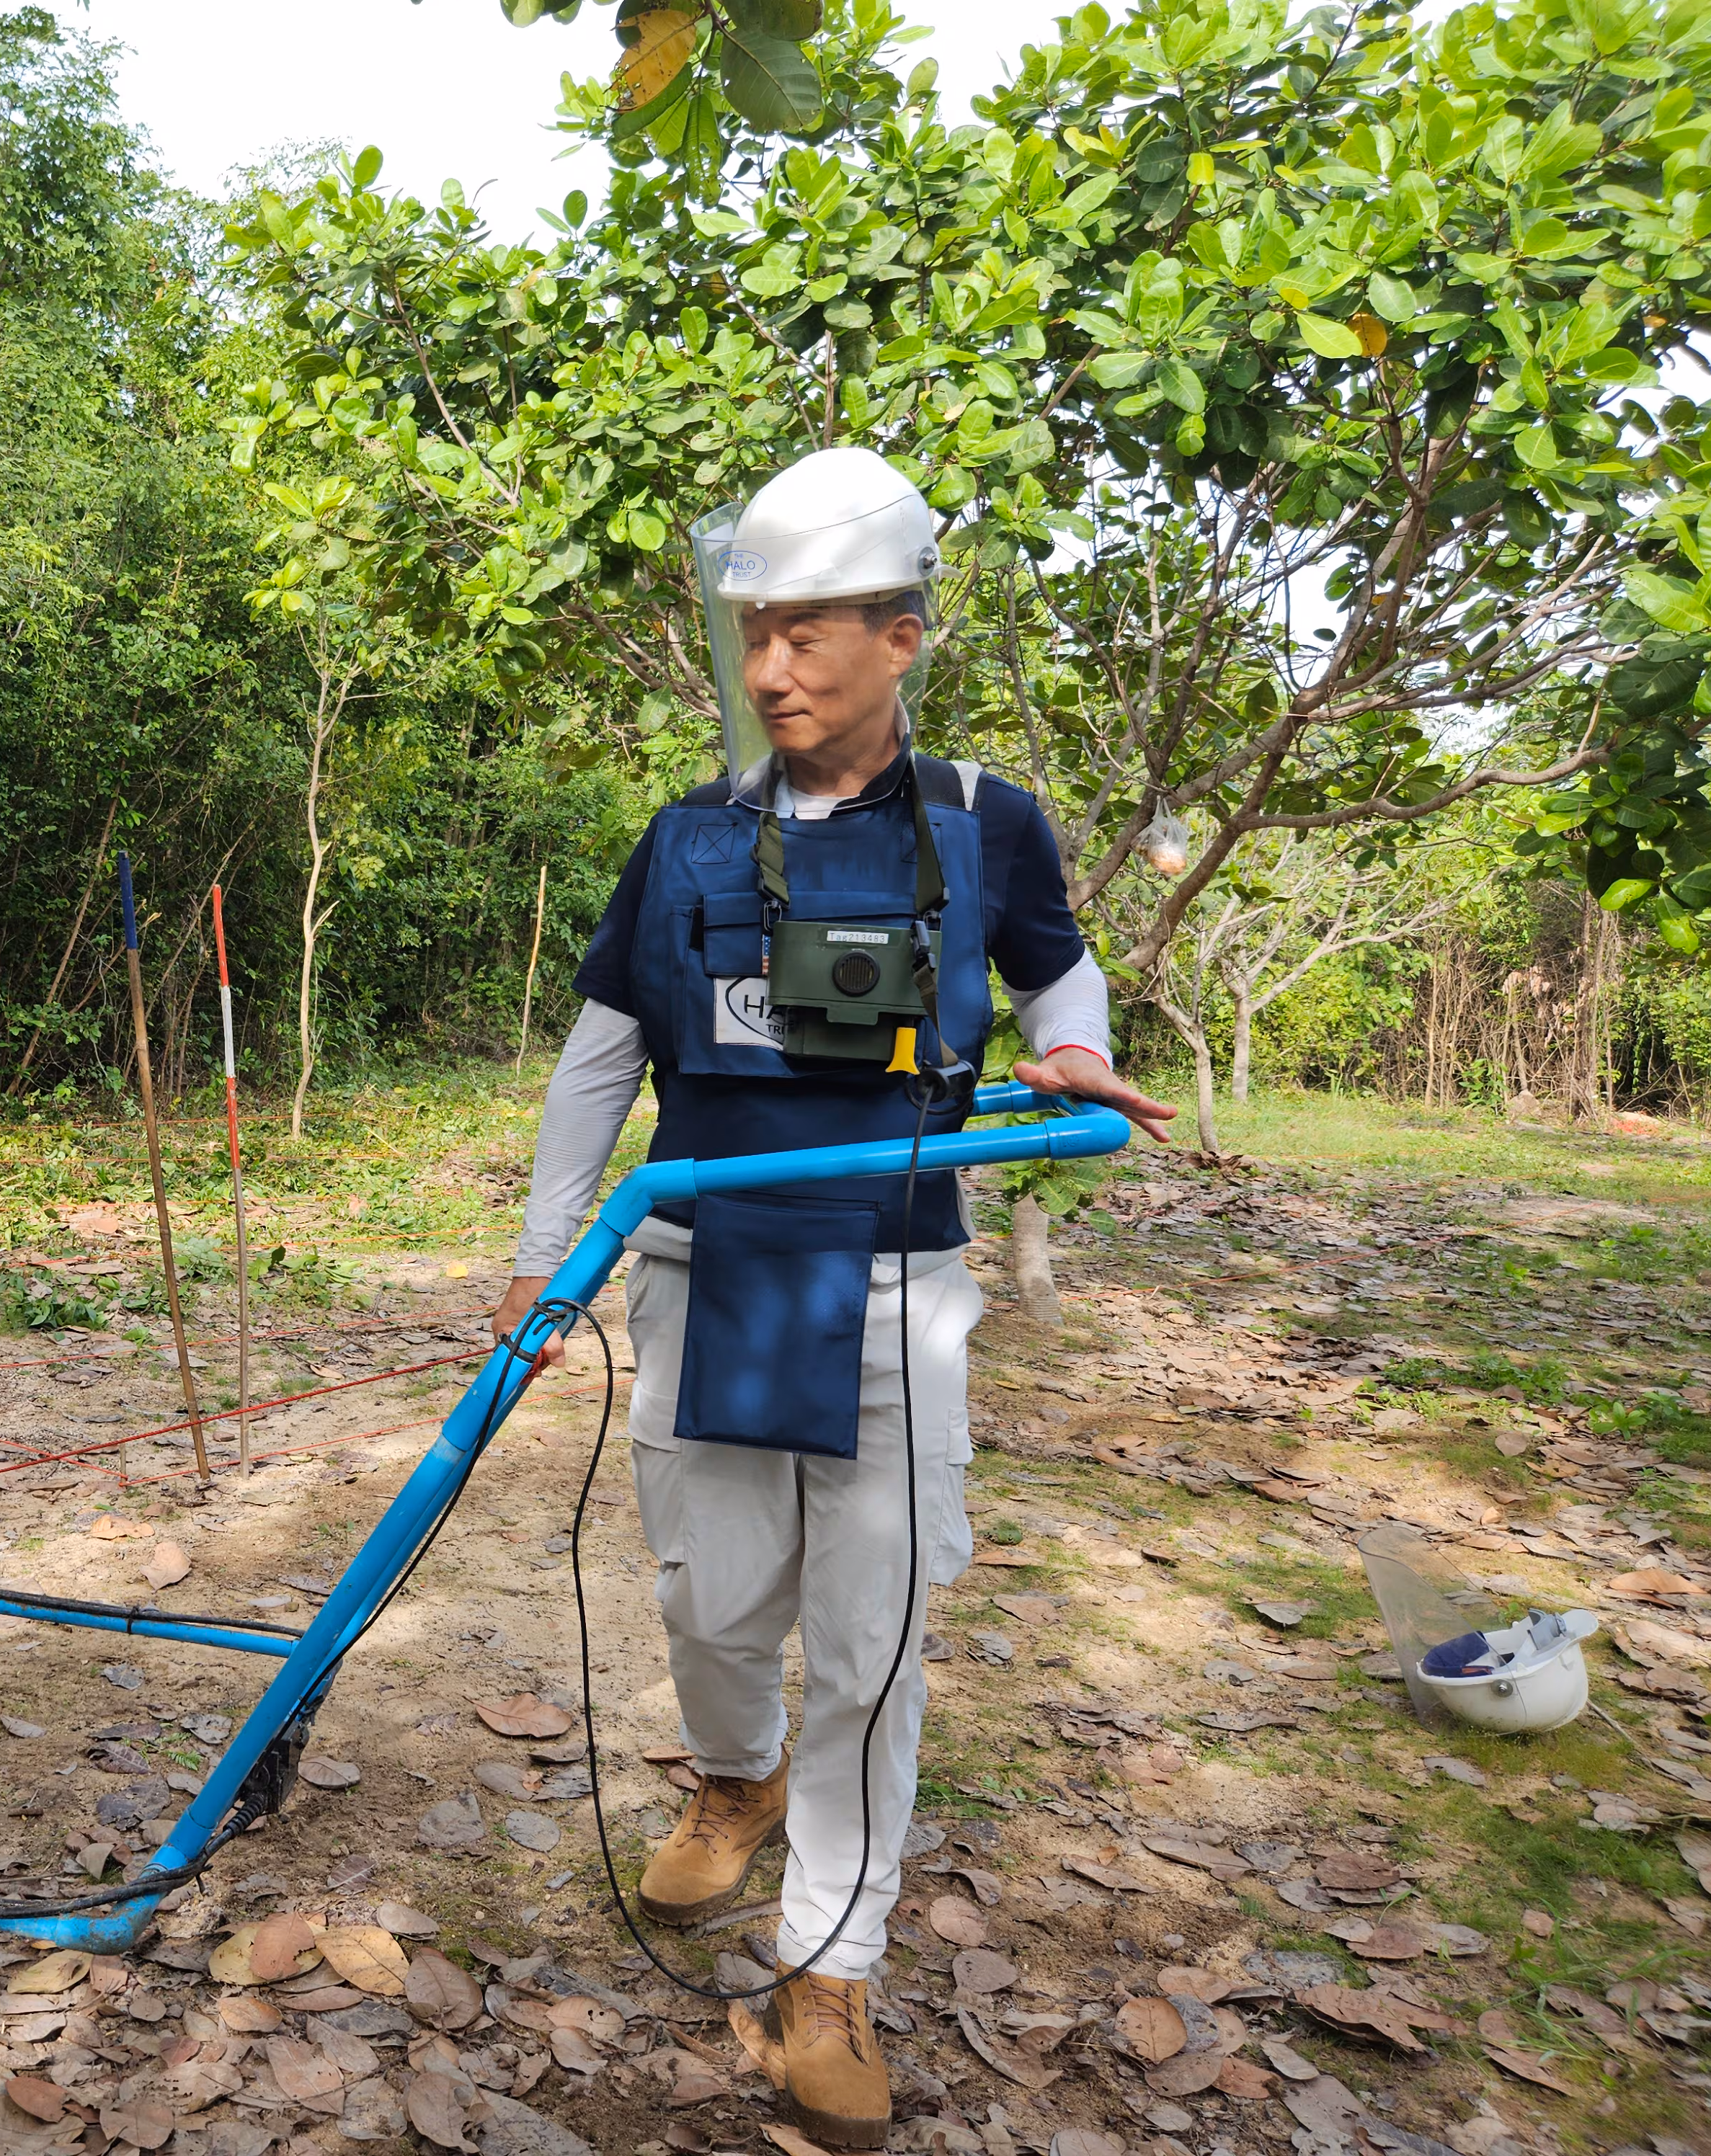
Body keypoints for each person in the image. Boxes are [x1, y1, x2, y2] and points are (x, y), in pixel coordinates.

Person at [494, 447, 1174, 2150]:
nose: (772, 671)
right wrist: (542, 1247)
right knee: (709, 1603)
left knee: (870, 1644)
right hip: (698, 1265)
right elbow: (600, 1060)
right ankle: (733, 1776)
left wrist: (1067, 1044)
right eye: (753, 637)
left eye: (806, 635)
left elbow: (1054, 957)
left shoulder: (977, 820)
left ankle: (829, 1967)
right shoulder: (686, 839)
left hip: (891, 1283)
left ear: (900, 634)